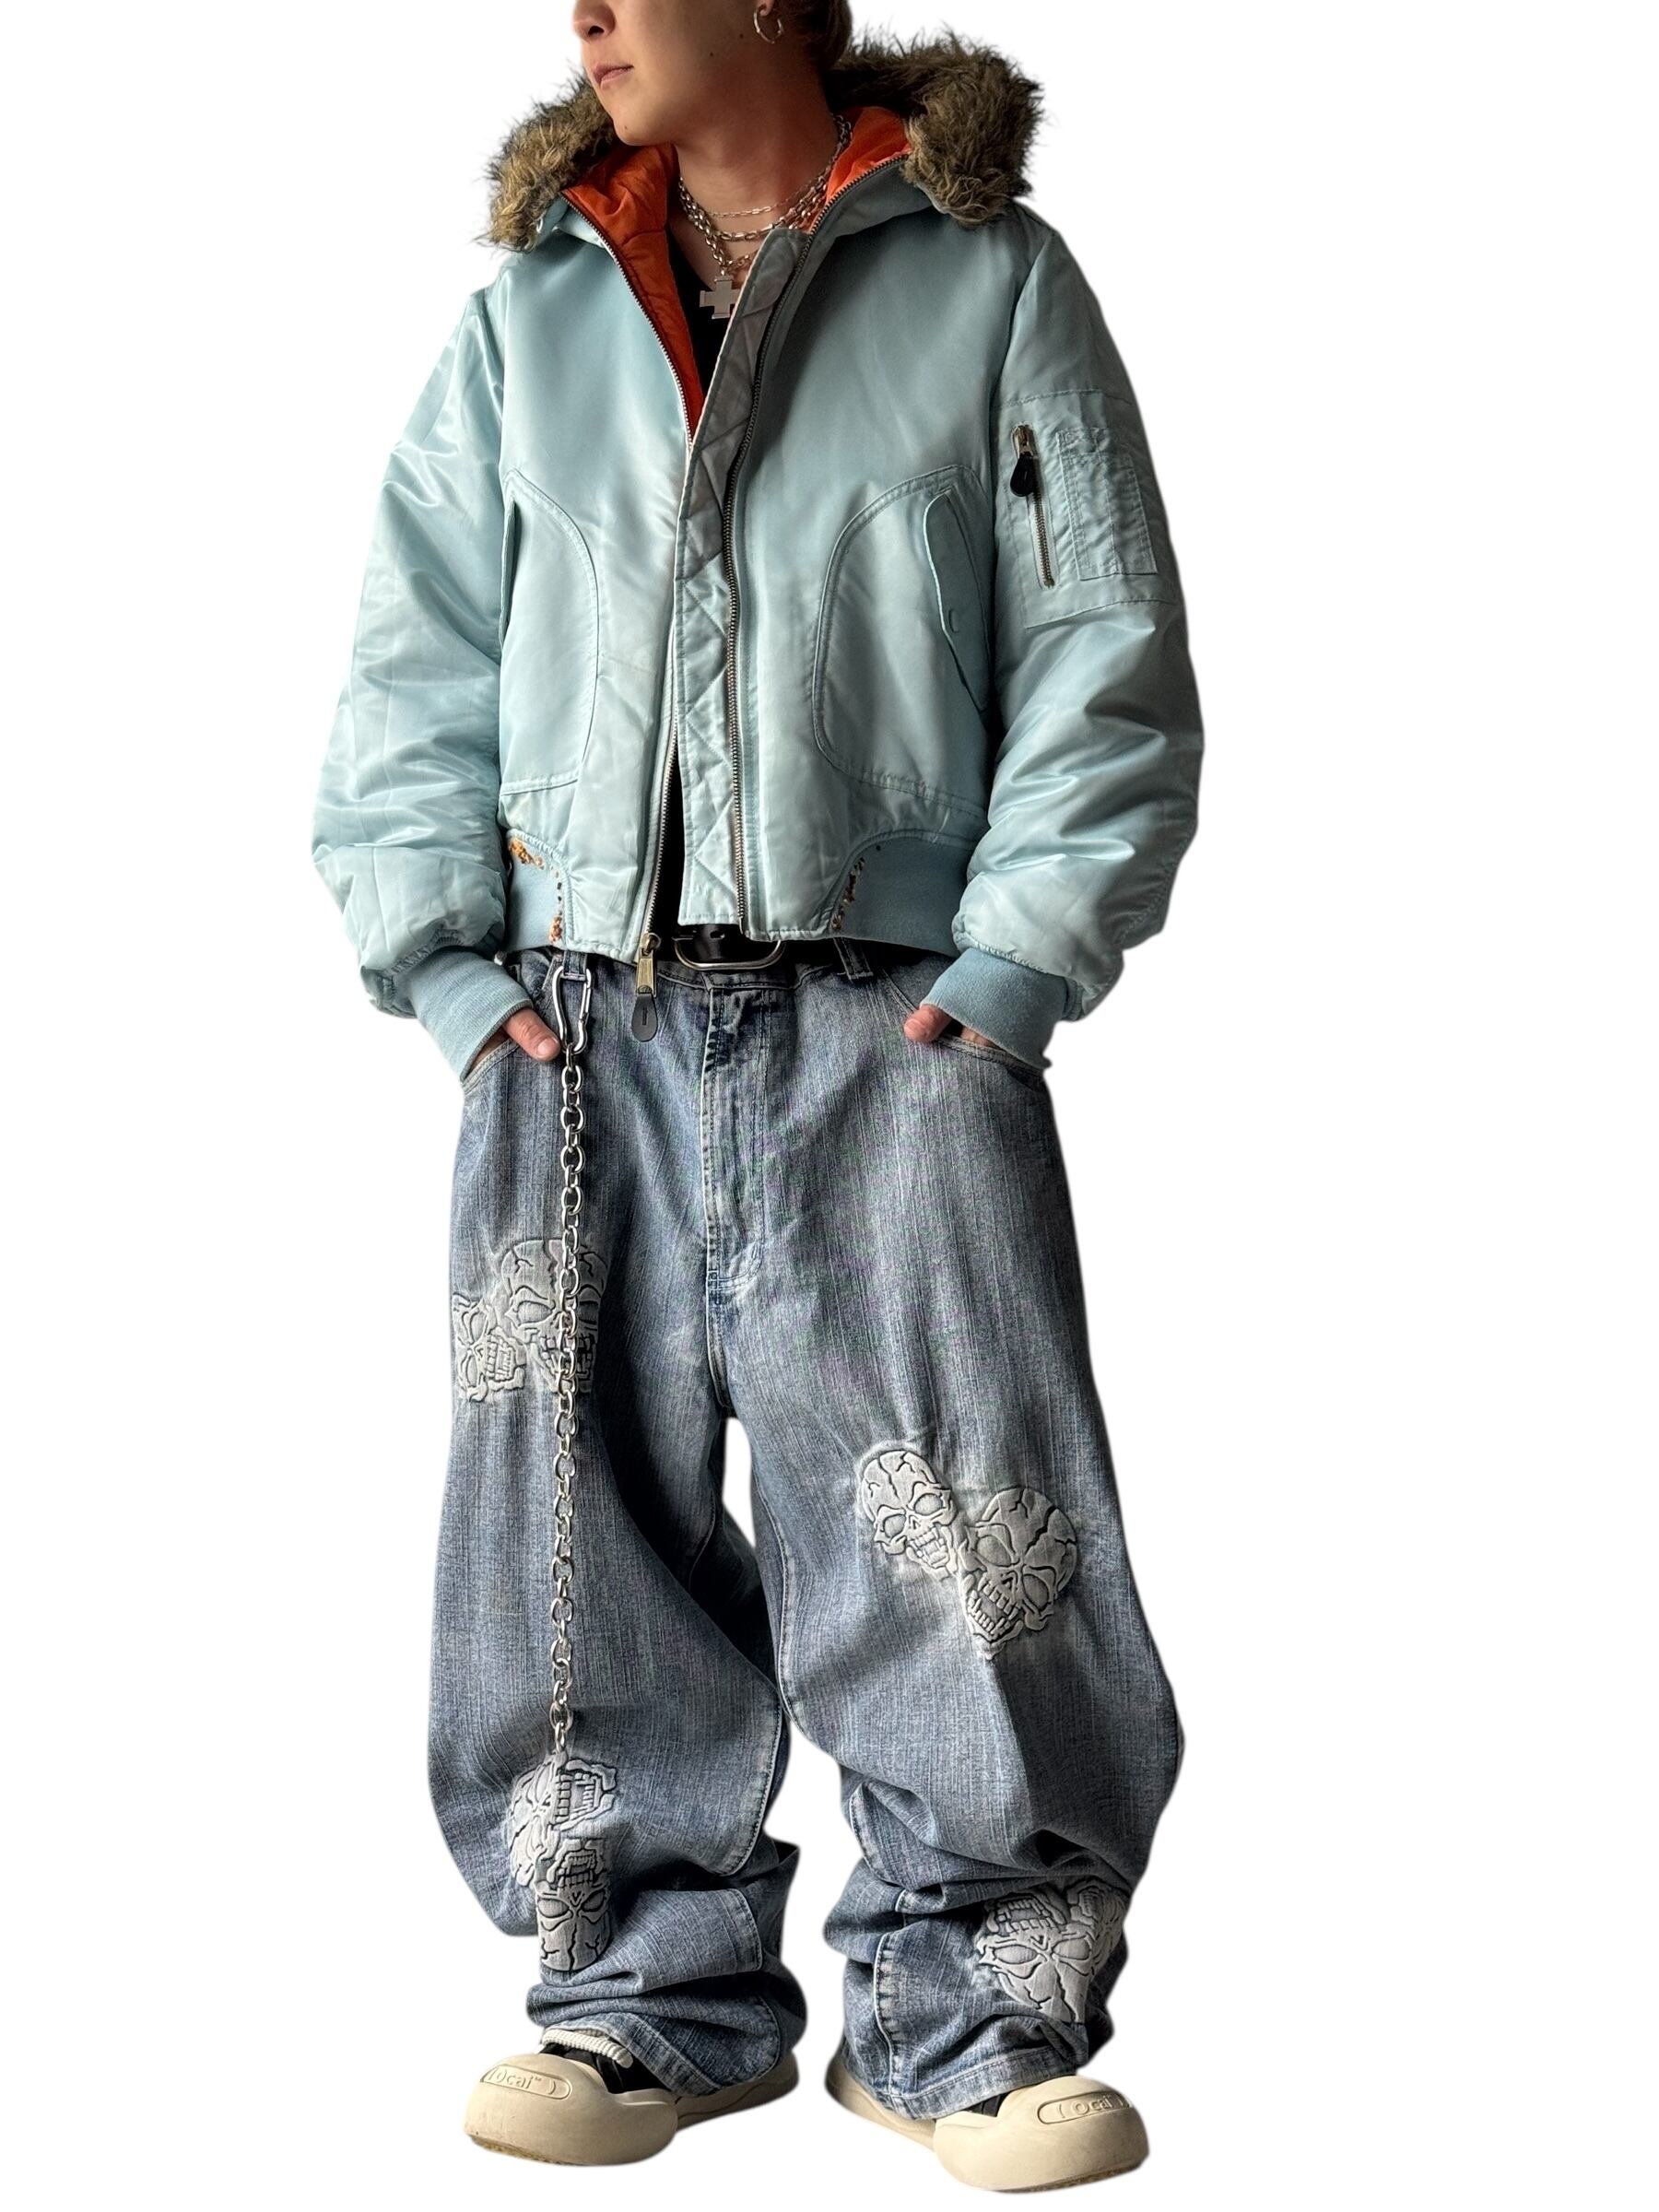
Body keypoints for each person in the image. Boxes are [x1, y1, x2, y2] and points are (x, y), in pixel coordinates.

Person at [312, 5, 1203, 2192]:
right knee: (567, 1524)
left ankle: (973, 2015)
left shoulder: (987, 281)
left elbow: (1099, 643)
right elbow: (418, 660)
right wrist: (450, 975)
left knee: (963, 1516)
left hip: (896, 1017)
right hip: (574, 1021)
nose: (587, 15)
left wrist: (1013, 967)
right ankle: (642, 1998)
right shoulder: (533, 312)